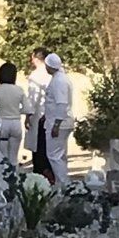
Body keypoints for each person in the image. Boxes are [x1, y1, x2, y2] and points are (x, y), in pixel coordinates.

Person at [35, 51, 73, 182]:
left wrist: (56, 124)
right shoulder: (61, 78)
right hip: (58, 121)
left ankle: (63, 184)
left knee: (54, 156)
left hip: (58, 123)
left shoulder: (58, 81)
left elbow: (61, 104)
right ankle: (61, 184)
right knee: (60, 156)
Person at [0, 62, 25, 163]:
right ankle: (15, 174)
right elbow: (27, 108)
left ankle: (3, 176)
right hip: (16, 122)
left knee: (2, 154)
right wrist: (18, 111)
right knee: (14, 156)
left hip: (2, 123)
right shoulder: (19, 90)